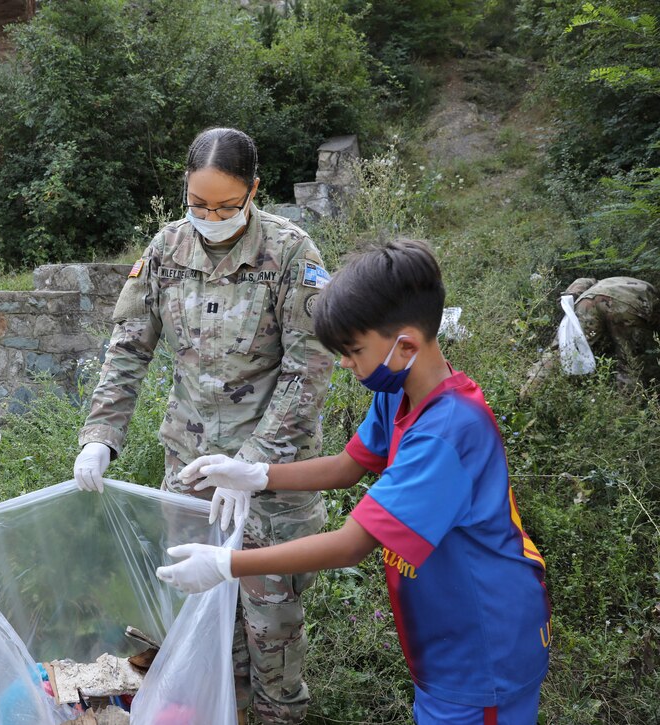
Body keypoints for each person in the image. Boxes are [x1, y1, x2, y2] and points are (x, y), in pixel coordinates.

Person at [157, 239, 552, 724]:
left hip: (483, 644)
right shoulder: (402, 391)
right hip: (446, 633)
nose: (345, 363)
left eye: (353, 350)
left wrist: (226, 564)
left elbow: (350, 546)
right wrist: (257, 474)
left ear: (405, 345)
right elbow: (349, 466)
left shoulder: (449, 432)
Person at [73, 127, 333, 724]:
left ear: (254, 192)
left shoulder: (292, 254)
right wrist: (99, 436)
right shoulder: (166, 251)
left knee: (273, 636)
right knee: (204, 627)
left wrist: (255, 466)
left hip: (273, 479)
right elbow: (127, 351)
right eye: (198, 204)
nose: (210, 216)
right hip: (190, 475)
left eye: (225, 205)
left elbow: (310, 369)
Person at [522, 276, 659, 395]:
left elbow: (581, 282)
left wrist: (571, 297)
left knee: (565, 351)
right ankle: (630, 413)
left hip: (588, 302)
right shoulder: (650, 293)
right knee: (631, 365)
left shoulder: (604, 281)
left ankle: (528, 389)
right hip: (628, 306)